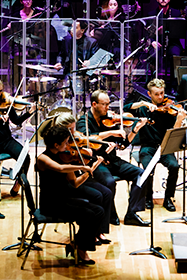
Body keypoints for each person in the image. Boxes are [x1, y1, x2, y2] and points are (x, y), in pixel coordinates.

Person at [76, 90, 150, 227]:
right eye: (104, 104)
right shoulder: (83, 121)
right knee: (109, 183)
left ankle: (131, 214)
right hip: (97, 162)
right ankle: (110, 214)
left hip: (113, 161)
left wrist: (134, 130)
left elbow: (122, 145)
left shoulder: (108, 119)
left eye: (108, 104)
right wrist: (110, 133)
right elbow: (86, 139)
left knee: (142, 174)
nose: (108, 108)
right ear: (94, 104)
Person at [37, 126, 104, 265]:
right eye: (66, 142)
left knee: (98, 211)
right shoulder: (42, 158)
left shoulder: (64, 157)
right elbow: (59, 169)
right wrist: (81, 167)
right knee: (88, 214)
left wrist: (90, 170)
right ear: (56, 145)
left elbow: (75, 183)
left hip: (64, 199)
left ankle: (77, 244)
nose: (69, 145)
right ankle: (81, 249)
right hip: (51, 203)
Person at [124, 79, 186, 212]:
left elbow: (173, 132)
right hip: (148, 147)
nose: (160, 97)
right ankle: (148, 197)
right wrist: (142, 103)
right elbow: (125, 109)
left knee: (174, 166)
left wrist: (179, 119)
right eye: (156, 94)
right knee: (148, 170)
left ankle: (168, 198)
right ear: (149, 94)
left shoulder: (169, 110)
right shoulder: (142, 109)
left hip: (164, 147)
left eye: (162, 93)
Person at [53, 113, 113, 245]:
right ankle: (89, 233)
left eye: (74, 129)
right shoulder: (58, 145)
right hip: (69, 182)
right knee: (97, 196)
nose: (74, 133)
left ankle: (99, 231)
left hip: (80, 175)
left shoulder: (74, 139)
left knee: (107, 193)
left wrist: (87, 152)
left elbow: (87, 143)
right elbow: (68, 169)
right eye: (70, 130)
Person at [0, 77, 37, 219]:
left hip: (6, 141)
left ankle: (18, 184)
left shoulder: (5, 103)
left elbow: (16, 121)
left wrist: (30, 111)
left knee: (25, 157)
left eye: (0, 91)